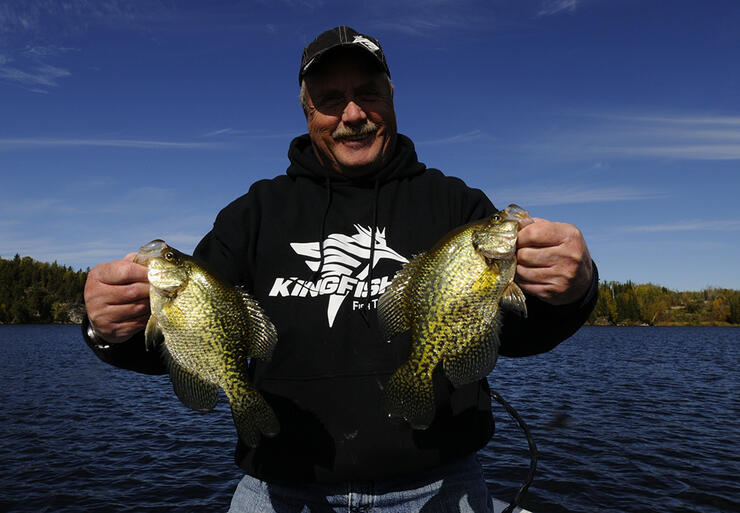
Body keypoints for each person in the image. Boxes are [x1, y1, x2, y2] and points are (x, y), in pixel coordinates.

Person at [82, 26, 598, 513]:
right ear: (307, 112)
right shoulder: (252, 215)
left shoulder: (456, 206)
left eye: (368, 93)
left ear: (392, 100)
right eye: (330, 99)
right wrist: (112, 330)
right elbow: (194, 337)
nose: (352, 113)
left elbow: (519, 334)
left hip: (439, 486)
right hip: (279, 489)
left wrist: (571, 291)